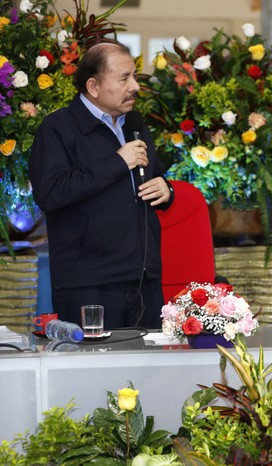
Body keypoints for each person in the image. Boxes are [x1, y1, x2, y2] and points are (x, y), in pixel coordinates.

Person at [29, 43, 174, 329]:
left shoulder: (134, 124)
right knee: (93, 359)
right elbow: (51, 193)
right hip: (88, 282)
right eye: (124, 78)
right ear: (93, 86)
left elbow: (152, 177)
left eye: (134, 76)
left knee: (151, 358)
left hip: (143, 277)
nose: (135, 86)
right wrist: (118, 162)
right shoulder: (58, 127)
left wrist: (166, 190)